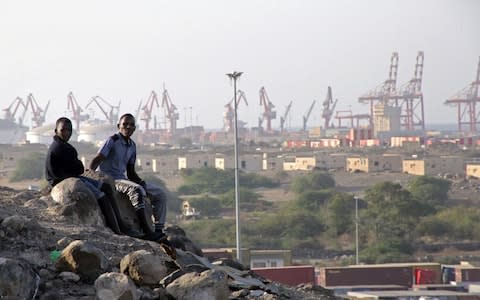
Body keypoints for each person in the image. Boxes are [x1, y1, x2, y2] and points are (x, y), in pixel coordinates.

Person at [45, 117, 133, 236]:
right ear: (56, 131)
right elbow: (80, 169)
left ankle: (121, 223)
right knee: (102, 197)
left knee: (106, 187)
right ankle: (117, 230)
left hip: (73, 177)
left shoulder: (64, 146)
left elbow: (77, 168)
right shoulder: (61, 148)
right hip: (64, 181)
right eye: (63, 130)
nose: (67, 133)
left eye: (69, 130)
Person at [89, 113, 168, 242]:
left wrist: (141, 181)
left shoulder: (132, 145)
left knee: (160, 194)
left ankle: (158, 230)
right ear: (119, 126)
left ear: (135, 128)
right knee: (136, 190)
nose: (128, 127)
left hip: (123, 178)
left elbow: (131, 172)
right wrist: (90, 174)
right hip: (110, 179)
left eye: (131, 125)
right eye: (125, 124)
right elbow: (98, 159)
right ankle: (146, 231)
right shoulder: (112, 140)